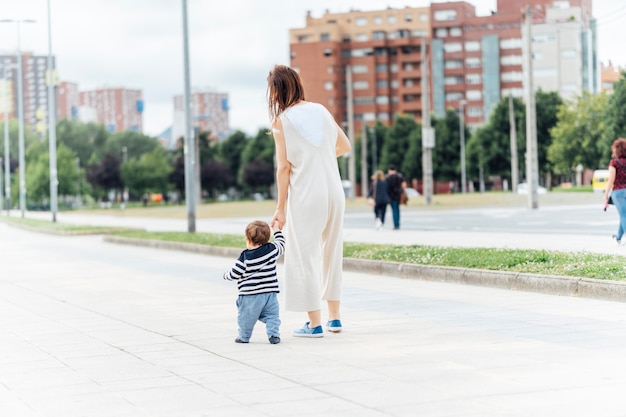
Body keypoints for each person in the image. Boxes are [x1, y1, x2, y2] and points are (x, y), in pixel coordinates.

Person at [267, 64, 352, 338]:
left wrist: (280, 208)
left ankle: (314, 324)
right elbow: (345, 146)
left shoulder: (282, 122)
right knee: (332, 252)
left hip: (307, 195)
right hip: (335, 192)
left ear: (278, 91)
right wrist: (320, 157)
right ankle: (335, 318)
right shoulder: (322, 111)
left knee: (304, 256)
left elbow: (283, 168)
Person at [223, 220, 285, 344]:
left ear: (248, 240)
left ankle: (244, 337)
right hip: (270, 295)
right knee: (272, 316)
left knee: (246, 318)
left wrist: (226, 275)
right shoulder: (272, 249)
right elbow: (282, 244)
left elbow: (235, 273)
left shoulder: (245, 257)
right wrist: (277, 230)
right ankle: (273, 335)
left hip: (249, 296)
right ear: (267, 239)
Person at [604, 138, 626, 245]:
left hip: (618, 192)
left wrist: (606, 193)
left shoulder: (614, 163)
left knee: (624, 215)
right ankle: (618, 236)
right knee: (624, 215)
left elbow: (611, 179)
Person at [385, 164, 405, 230]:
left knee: (394, 210)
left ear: (389, 170)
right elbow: (404, 185)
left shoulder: (387, 177)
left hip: (390, 195)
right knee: (397, 209)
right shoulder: (399, 176)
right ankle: (397, 223)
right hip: (398, 194)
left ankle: (396, 224)